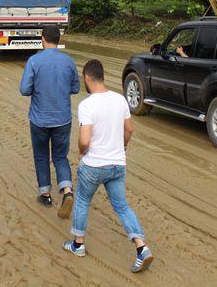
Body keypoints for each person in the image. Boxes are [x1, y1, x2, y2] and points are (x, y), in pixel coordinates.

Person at [62, 59, 153, 274]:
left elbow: (85, 140)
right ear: (102, 76)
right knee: (122, 206)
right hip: (117, 164)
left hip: (94, 165)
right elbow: (129, 130)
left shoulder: (87, 105)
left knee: (83, 201)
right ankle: (142, 248)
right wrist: (121, 147)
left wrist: (81, 150)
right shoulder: (120, 100)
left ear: (86, 78)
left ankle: (78, 245)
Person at [19, 25, 79, 218]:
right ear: (59, 39)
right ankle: (67, 191)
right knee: (61, 157)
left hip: (39, 120)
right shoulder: (69, 61)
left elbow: (24, 89)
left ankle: (45, 194)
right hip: (62, 118)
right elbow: (75, 88)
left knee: (41, 155)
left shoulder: (34, 61)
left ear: (42, 38)